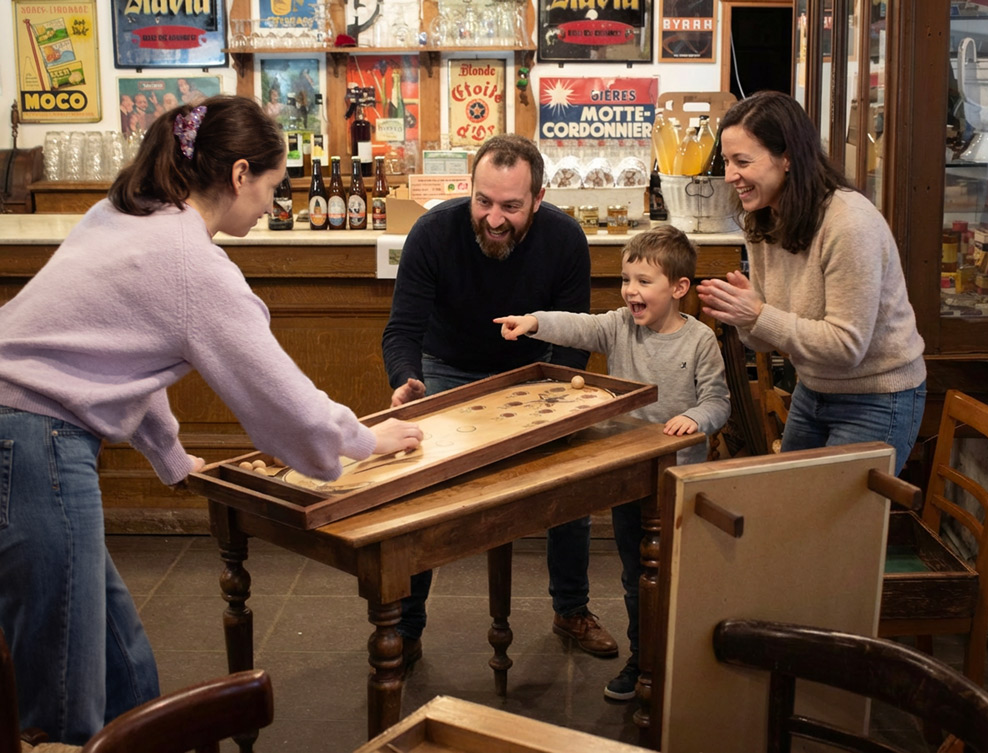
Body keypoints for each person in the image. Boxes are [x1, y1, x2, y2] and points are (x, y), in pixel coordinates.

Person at [0, 95, 422, 744]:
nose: (273, 204)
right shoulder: (191, 262)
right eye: (274, 188)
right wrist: (367, 441)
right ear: (239, 174)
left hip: (22, 436)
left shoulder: (121, 215)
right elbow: (281, 398)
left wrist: (172, 457)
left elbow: (117, 361)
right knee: (61, 702)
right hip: (38, 445)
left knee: (121, 660)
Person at [382, 133, 618, 668]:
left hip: (536, 374)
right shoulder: (433, 232)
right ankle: (407, 625)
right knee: (422, 496)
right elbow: (401, 330)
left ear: (538, 198)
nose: (493, 218)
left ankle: (571, 608)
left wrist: (558, 400)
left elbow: (575, 335)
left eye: (510, 206)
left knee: (569, 484)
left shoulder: (565, 238)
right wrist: (406, 379)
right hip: (446, 369)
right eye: (483, 201)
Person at [494, 224, 731, 701]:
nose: (630, 292)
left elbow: (718, 401)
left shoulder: (700, 341)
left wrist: (693, 417)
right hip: (630, 478)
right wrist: (534, 321)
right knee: (635, 576)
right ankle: (642, 660)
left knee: (681, 576)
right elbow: (579, 325)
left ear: (679, 288)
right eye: (626, 280)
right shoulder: (620, 325)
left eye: (644, 281)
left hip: (680, 480)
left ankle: (686, 664)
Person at [696, 90, 925, 476]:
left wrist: (758, 314)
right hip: (814, 389)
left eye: (742, 161)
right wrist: (746, 318)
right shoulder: (763, 218)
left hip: (878, 396)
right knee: (794, 515)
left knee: (834, 532)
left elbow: (846, 346)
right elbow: (769, 339)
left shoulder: (849, 224)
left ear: (787, 158)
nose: (729, 175)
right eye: (727, 161)